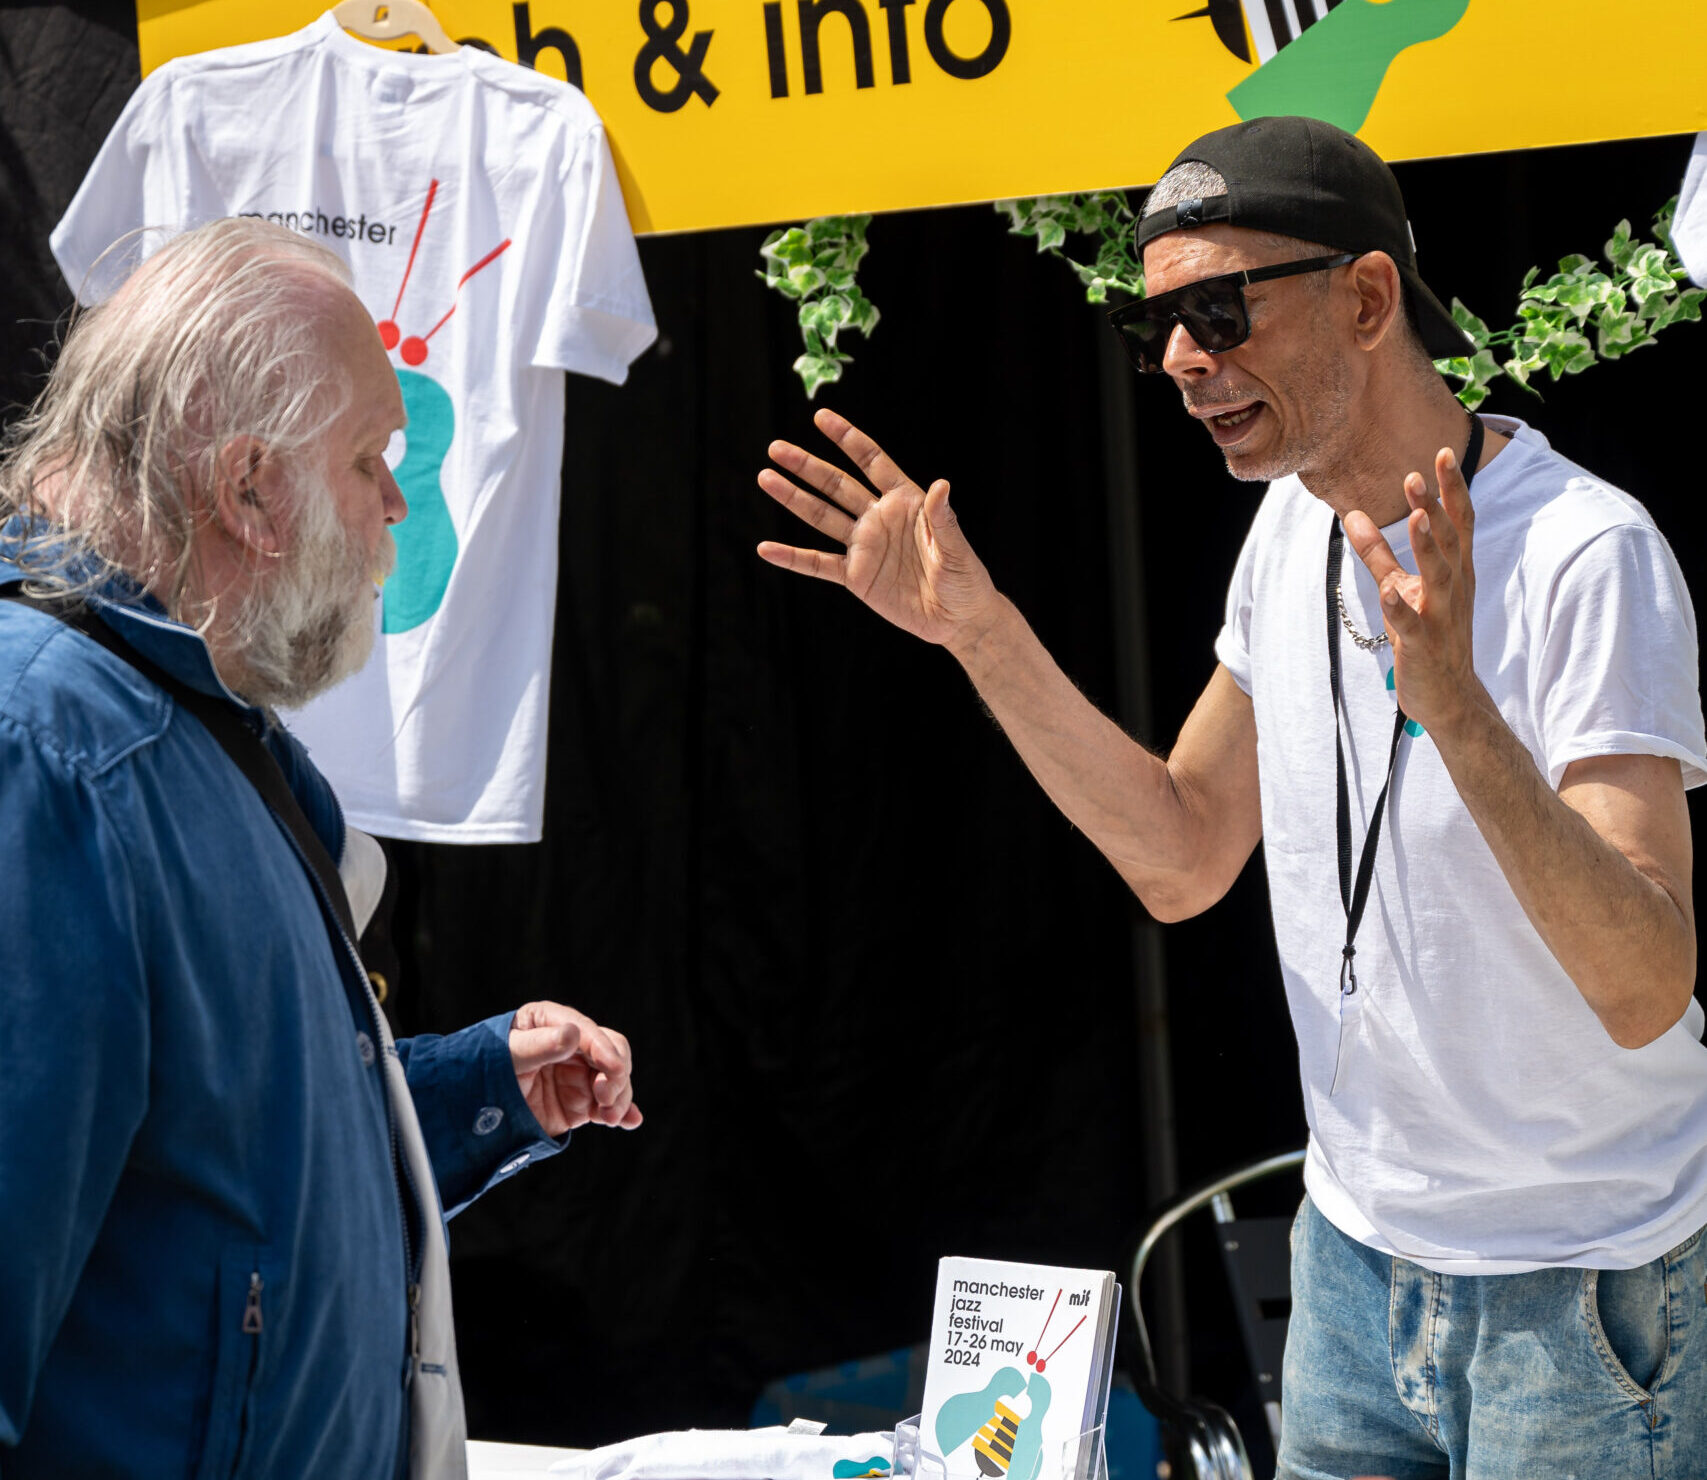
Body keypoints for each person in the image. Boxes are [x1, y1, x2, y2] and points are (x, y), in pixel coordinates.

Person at [756, 117, 1707, 1478]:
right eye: (1158, 327)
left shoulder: (1583, 551)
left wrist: (1457, 716)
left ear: (1367, 298)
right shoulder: (1289, 530)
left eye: (1217, 310)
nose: (1182, 361)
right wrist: (979, 632)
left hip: (1579, 1288)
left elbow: (1643, 985)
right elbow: (1181, 854)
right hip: (1352, 1261)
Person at [0, 218, 641, 1479]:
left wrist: (462, 1094)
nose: (396, 503)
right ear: (248, 489)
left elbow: (219, 1181)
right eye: (368, 458)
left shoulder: (183, 722)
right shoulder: (48, 753)